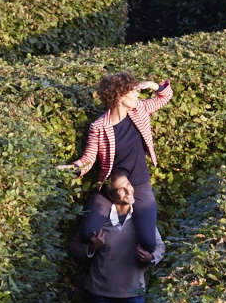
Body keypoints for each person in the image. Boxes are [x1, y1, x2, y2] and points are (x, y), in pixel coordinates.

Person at [67, 71, 172, 254]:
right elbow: (88, 159)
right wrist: (70, 169)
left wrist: (153, 85)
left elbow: (164, 96)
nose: (137, 94)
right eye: (132, 91)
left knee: (148, 243)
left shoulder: (139, 110)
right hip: (112, 188)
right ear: (120, 96)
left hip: (139, 183)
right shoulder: (98, 126)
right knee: (87, 233)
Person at [70, 171, 165, 303]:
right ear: (111, 194)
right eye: (120, 189)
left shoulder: (142, 219)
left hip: (133, 293)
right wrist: (92, 248)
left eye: (129, 185)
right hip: (101, 292)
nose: (128, 191)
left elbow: (160, 246)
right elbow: (74, 250)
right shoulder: (97, 219)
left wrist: (151, 257)